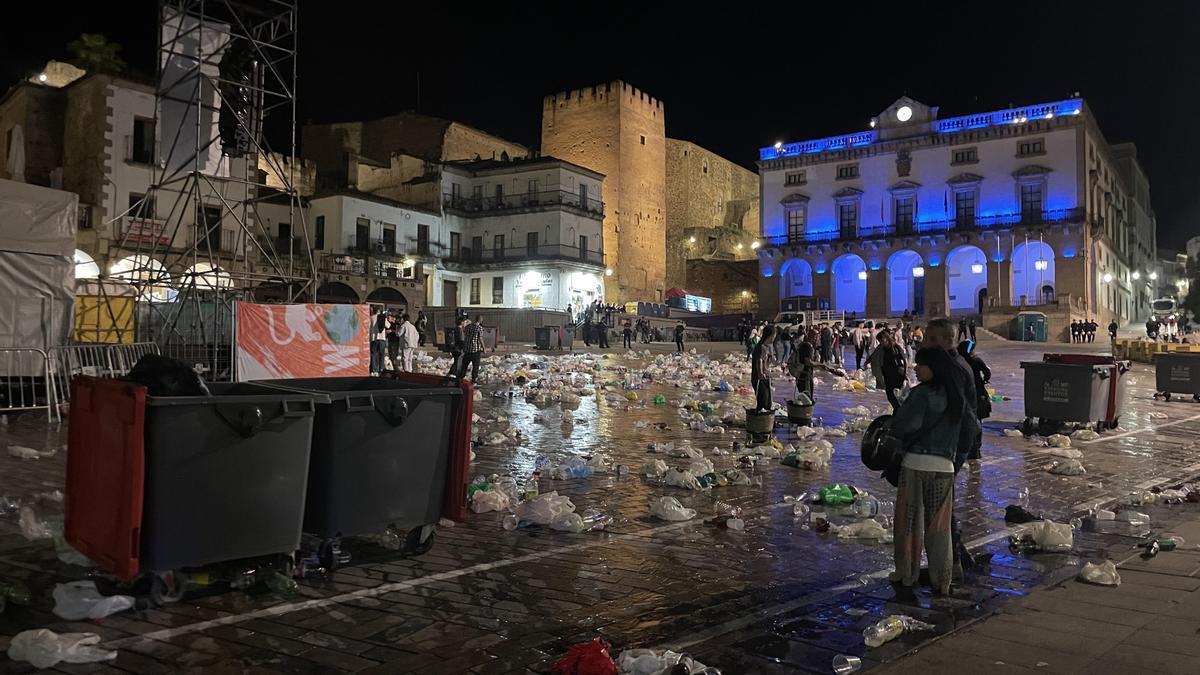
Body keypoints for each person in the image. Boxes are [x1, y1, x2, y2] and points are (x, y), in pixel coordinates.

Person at [889, 347, 968, 600]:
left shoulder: (921, 394)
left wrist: (896, 420)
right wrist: (956, 458)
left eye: (921, 364)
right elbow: (971, 429)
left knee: (909, 524)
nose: (916, 368)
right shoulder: (957, 395)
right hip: (944, 468)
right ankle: (942, 580)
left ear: (934, 367)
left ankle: (907, 574)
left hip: (915, 465)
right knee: (940, 528)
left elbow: (907, 424)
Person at [957, 341, 992, 461]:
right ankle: (975, 449)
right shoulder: (976, 360)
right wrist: (984, 380)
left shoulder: (959, 361)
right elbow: (987, 372)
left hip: (963, 395)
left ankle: (965, 448)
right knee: (977, 421)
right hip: (977, 394)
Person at [871, 329, 907, 411]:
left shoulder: (896, 347)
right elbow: (874, 356)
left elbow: (905, 361)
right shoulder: (881, 348)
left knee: (896, 395)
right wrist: (867, 362)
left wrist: (905, 374)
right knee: (889, 395)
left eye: (882, 340)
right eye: (879, 341)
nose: (880, 342)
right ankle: (896, 411)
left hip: (897, 374)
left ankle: (898, 411)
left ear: (886, 338)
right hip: (887, 375)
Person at [751, 326, 776, 411]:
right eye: (774, 336)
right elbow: (759, 360)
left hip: (765, 378)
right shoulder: (761, 347)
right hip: (760, 379)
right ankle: (760, 418)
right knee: (763, 402)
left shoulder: (767, 346)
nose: (774, 338)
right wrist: (760, 373)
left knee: (767, 403)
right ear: (770, 335)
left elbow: (767, 360)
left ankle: (764, 417)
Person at [458, 316, 485, 381]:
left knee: (464, 365)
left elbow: (464, 334)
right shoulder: (479, 328)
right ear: (480, 320)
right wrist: (484, 348)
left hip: (467, 350)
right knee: (475, 366)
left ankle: (461, 378)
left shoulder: (468, 326)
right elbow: (480, 339)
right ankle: (474, 379)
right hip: (475, 351)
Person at [369, 307, 389, 375]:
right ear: (378, 311)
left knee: (373, 354)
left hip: (373, 339)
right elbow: (388, 326)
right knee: (381, 354)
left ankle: (374, 370)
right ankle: (381, 369)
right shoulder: (383, 318)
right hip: (382, 338)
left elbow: (368, 327)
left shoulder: (371, 318)